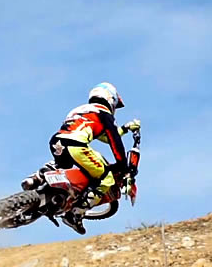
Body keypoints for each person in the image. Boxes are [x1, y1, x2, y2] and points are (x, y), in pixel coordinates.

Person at [24, 82, 140, 234]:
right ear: (110, 99)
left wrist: (124, 129)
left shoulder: (80, 110)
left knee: (64, 165)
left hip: (57, 142)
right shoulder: (104, 113)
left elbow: (102, 135)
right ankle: (75, 214)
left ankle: (37, 178)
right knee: (106, 178)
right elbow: (114, 140)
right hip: (77, 145)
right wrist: (122, 165)